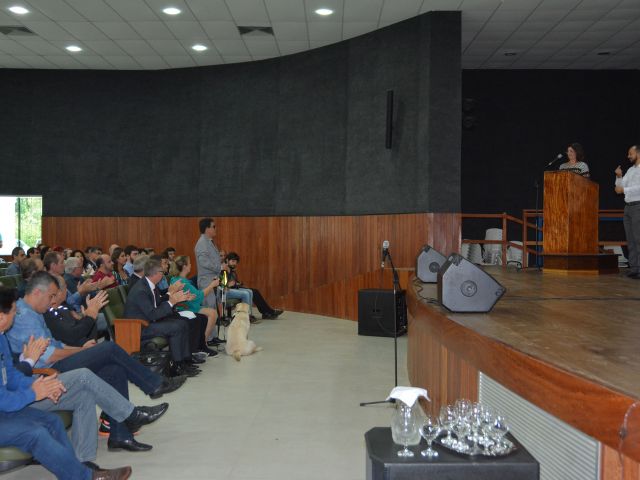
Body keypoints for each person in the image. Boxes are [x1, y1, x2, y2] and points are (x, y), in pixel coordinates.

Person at [6, 272, 186, 452]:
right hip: (48, 372)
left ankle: (120, 435)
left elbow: (56, 345)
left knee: (114, 370)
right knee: (108, 348)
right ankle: (153, 385)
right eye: (51, 296)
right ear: (37, 292)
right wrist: (83, 351)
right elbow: (49, 356)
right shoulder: (23, 316)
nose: (53, 300)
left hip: (55, 364)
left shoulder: (34, 312)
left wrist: (82, 349)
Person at [0, 286, 136, 479]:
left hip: (5, 409)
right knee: (36, 433)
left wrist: (41, 387)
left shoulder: (1, 338)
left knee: (53, 422)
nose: (16, 315)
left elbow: (11, 377)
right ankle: (86, 477)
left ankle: (77, 471)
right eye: (14, 312)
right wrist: (33, 393)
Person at [124, 259, 200, 377]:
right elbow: (152, 314)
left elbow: (158, 303)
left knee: (183, 324)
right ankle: (177, 366)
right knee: (175, 327)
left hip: (149, 321)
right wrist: (171, 302)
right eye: (162, 272)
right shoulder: (141, 290)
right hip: (139, 327)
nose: (163, 274)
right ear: (156, 274)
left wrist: (175, 297)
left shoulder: (149, 284)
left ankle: (185, 361)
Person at [169, 255, 222, 349]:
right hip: (186, 307)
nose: (191, 265)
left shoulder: (176, 278)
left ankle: (202, 341)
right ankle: (203, 342)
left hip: (187, 305)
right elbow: (199, 296)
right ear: (184, 266)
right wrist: (212, 285)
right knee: (213, 313)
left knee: (210, 312)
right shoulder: (182, 282)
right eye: (189, 263)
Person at [225, 252, 283, 320]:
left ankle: (266, 312)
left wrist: (238, 283)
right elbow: (226, 284)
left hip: (235, 288)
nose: (234, 263)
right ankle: (266, 312)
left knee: (253, 291)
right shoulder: (224, 269)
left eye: (236, 262)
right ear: (227, 260)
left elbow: (235, 282)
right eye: (233, 261)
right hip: (229, 290)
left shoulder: (232, 270)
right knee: (252, 292)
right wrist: (232, 279)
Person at [615, 144, 640, 278]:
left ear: (638, 153)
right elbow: (619, 187)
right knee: (630, 239)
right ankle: (634, 268)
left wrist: (624, 190)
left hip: (638, 206)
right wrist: (619, 177)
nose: (628, 156)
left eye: (631, 153)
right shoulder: (630, 170)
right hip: (628, 207)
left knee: (638, 238)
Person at [195, 218, 221, 308]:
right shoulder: (202, 243)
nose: (215, 228)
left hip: (212, 279)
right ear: (207, 229)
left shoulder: (208, 241)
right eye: (213, 226)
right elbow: (204, 262)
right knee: (209, 308)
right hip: (206, 281)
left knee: (214, 307)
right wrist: (220, 267)